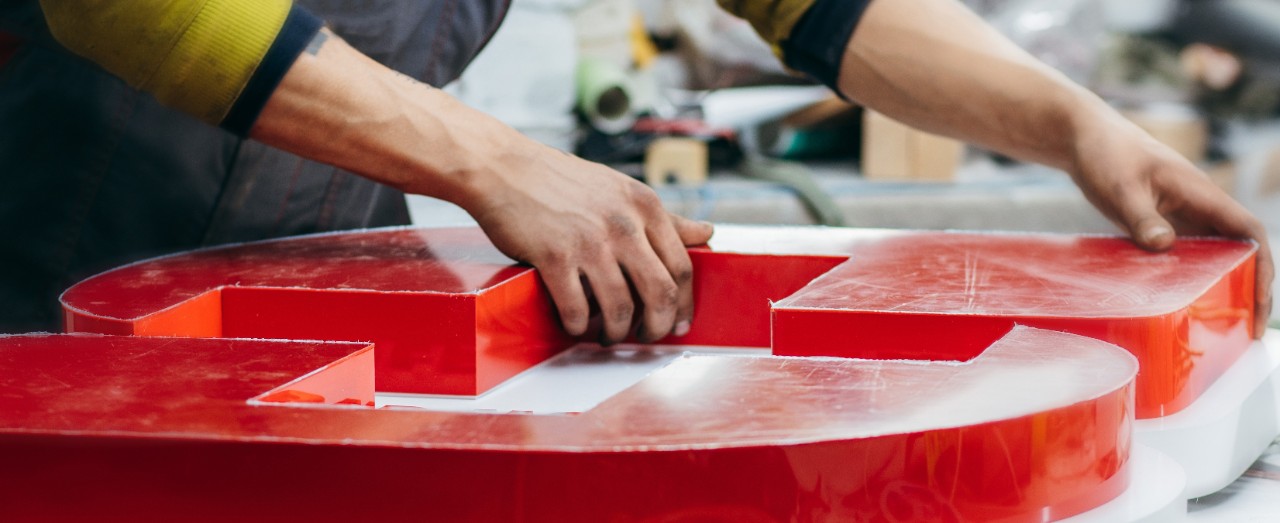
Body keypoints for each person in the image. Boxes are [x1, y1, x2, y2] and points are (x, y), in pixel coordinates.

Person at [1, 0, 1271, 341]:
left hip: (293, 279)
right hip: (34, 259)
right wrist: (493, 163)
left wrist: (1073, 122)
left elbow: (823, 1)